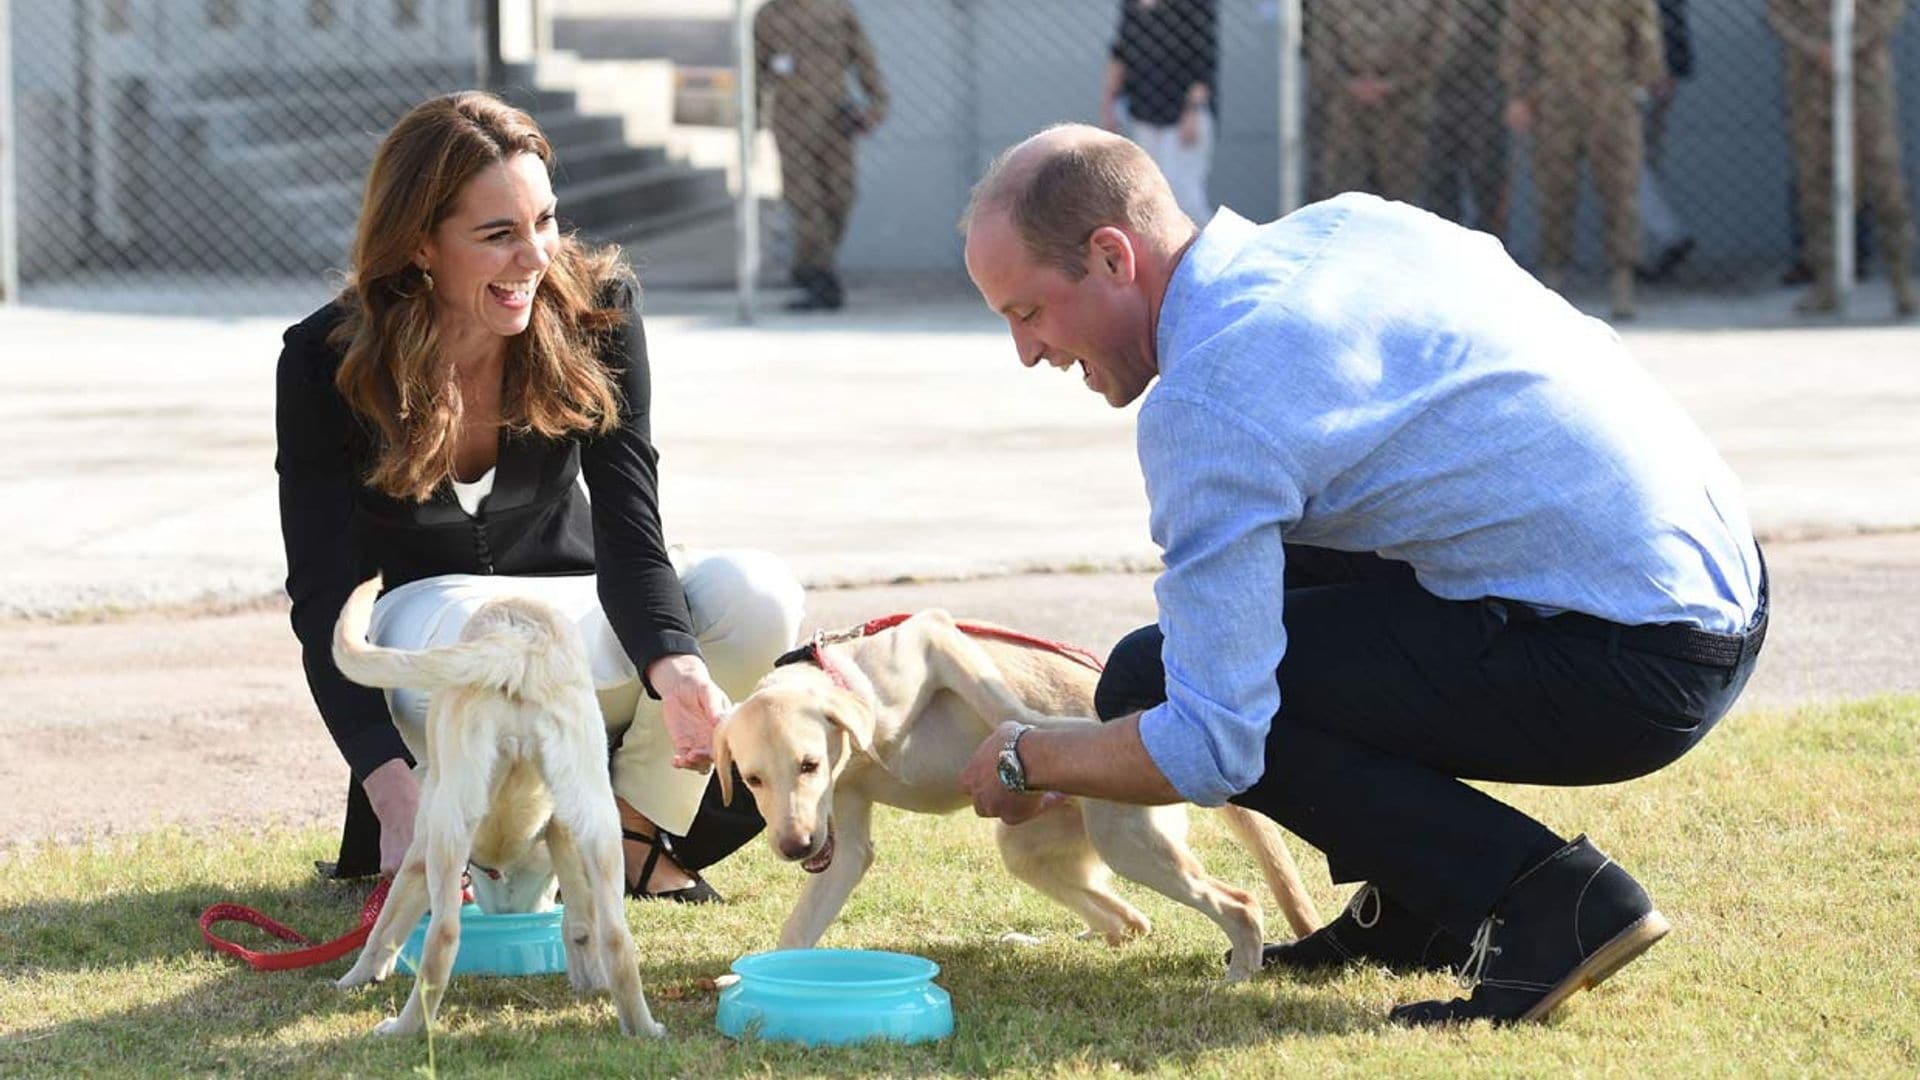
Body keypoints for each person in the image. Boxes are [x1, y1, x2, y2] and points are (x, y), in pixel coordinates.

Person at [956, 124, 1765, 1026]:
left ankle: (1549, 905)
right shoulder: (1348, 226)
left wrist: (1032, 755)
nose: (1028, 353)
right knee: (1255, 599)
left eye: (1027, 313)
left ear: (1112, 256)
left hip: (1633, 660)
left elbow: (1212, 742)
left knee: (1153, 677)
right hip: (1715, 585)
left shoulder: (1208, 397)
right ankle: (1421, 906)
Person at [276, 91, 805, 900]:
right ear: (420, 244)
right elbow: (324, 602)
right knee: (484, 633)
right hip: (432, 636)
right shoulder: (326, 358)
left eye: (545, 221)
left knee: (756, 595)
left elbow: (633, 530)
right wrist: (392, 797)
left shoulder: (598, 310)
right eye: (499, 235)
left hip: (578, 612)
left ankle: (628, 833)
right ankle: (480, 841)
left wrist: (679, 666)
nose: (536, 257)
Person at [1501, 0, 1666, 319]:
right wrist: (1519, 94)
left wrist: (1641, 81)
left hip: (1612, 95)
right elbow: (1517, 39)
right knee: (1554, 186)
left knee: (1620, 189)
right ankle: (1554, 274)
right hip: (1552, 97)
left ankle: (1622, 277)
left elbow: (1645, 32)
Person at [1768, 0, 1916, 316]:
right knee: (1815, 180)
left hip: (1865, 73)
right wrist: (1815, 47)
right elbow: (1778, 13)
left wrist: (1849, 44)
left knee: (1883, 175)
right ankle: (1825, 284)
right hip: (1809, 79)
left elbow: (1890, 9)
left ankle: (1902, 281)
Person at [753, 0, 889, 312]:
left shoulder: (837, 10)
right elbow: (755, 73)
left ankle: (810, 266)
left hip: (834, 120)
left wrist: (875, 105)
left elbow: (864, 59)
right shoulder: (769, 15)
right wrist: (751, 121)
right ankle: (818, 278)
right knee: (806, 203)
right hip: (791, 122)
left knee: (842, 196)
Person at [1309, 0, 1453, 206]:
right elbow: (1321, 44)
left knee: (1404, 196)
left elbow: (1438, 47)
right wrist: (1348, 83)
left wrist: (1394, 84)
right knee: (1344, 192)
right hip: (1347, 108)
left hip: (1405, 109)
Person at [1101, 0, 1219, 223]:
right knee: (1151, 195)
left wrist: (1192, 111)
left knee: (1184, 196)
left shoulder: (1194, 6)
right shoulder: (1133, 7)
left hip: (1185, 114)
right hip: (1145, 111)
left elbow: (1203, 62)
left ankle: (1214, 250)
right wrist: (1109, 103)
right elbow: (1121, 52)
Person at [1429, 0, 1510, 239]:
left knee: (1486, 177)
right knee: (1439, 181)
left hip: (1484, 86)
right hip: (1438, 88)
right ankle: (1440, 247)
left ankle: (1491, 248)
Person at [1636, 0, 1696, 282]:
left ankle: (1665, 237)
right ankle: (1653, 242)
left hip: (1639, 77)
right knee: (1635, 162)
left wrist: (1669, 69)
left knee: (1632, 161)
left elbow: (1670, 12)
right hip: (1608, 74)